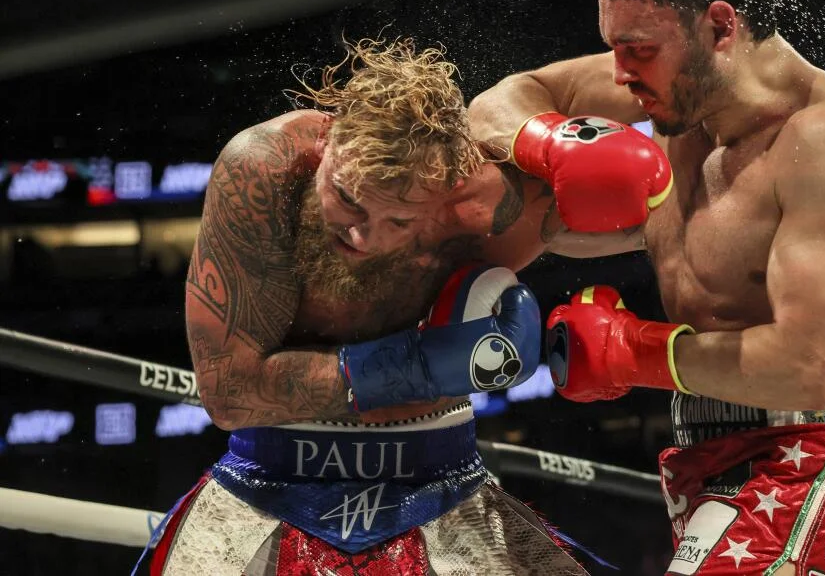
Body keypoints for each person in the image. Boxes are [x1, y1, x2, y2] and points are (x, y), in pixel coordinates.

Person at [469, 0, 825, 574]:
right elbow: (502, 102)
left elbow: (810, 369)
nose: (620, 73)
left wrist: (630, 350)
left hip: (819, 453)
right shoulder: (678, 98)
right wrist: (547, 141)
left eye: (638, 50)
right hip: (710, 452)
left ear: (719, 26)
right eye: (614, 47)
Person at [146, 37, 671, 574]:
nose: (361, 234)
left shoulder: (493, 212)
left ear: (447, 196)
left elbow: (675, 215)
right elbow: (229, 391)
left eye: (397, 221)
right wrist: (420, 365)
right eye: (346, 198)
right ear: (330, 143)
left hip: (443, 482)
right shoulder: (265, 171)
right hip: (266, 486)